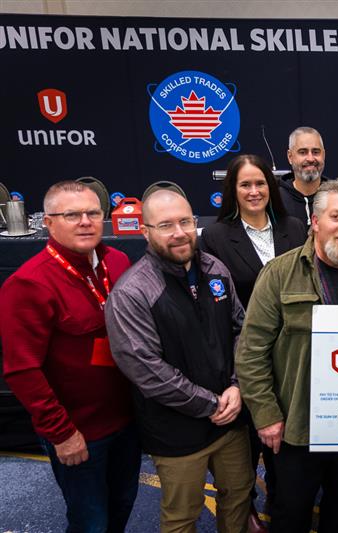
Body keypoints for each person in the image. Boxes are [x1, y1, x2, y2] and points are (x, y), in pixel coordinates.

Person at [235, 178, 338, 532]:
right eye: (337, 216)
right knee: (291, 514)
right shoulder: (279, 274)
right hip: (296, 427)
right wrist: (265, 415)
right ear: (316, 222)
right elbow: (251, 352)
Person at [105, 190, 253, 533]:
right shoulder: (132, 293)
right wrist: (211, 403)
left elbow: (242, 331)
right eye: (166, 225)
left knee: (239, 496)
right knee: (183, 514)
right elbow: (146, 370)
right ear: (145, 232)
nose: (179, 232)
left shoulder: (216, 269)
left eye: (185, 221)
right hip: (176, 431)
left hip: (230, 418)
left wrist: (236, 386)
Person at [0, 181, 140, 533]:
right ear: (48, 222)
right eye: (72, 215)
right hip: (80, 431)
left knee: (123, 505)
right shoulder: (28, 284)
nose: (85, 221)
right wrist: (62, 434)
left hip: (127, 421)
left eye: (93, 213)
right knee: (90, 521)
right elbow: (22, 370)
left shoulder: (118, 261)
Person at [199, 153, 305, 531]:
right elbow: (215, 305)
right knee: (247, 446)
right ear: (233, 190)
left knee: (285, 447)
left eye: (261, 183)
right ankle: (246, 509)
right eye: (245, 184)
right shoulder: (214, 235)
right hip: (247, 356)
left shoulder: (295, 227)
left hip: (293, 356)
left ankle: (282, 508)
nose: (255, 191)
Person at [278, 126, 328, 228]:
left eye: (315, 152)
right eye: (303, 152)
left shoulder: (336, 196)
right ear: (290, 156)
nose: (310, 158)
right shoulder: (276, 199)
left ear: (324, 155)